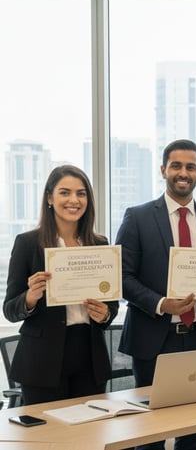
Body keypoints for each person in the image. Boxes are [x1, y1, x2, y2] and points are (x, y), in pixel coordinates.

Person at [116, 139, 196, 450]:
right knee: (150, 435)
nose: (183, 172)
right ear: (163, 169)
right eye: (176, 166)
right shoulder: (137, 217)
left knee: (193, 435)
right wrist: (162, 304)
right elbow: (122, 277)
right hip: (154, 338)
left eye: (190, 167)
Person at [3, 165, 119, 405]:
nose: (74, 200)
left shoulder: (100, 244)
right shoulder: (27, 243)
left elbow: (112, 304)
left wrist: (105, 313)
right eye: (65, 192)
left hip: (89, 355)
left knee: (91, 426)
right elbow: (10, 309)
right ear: (49, 198)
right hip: (42, 360)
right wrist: (30, 297)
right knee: (47, 429)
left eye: (81, 193)